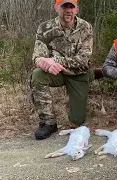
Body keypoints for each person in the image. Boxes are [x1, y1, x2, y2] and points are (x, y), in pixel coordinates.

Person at [31, 0, 93, 140]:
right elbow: (37, 56)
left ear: (77, 9)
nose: (68, 10)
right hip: (56, 73)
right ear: (56, 8)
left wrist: (56, 60)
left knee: (77, 121)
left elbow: (83, 60)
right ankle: (48, 122)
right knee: (38, 75)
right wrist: (44, 63)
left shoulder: (85, 27)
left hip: (78, 74)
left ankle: (94, 75)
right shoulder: (45, 28)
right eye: (64, 6)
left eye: (71, 6)